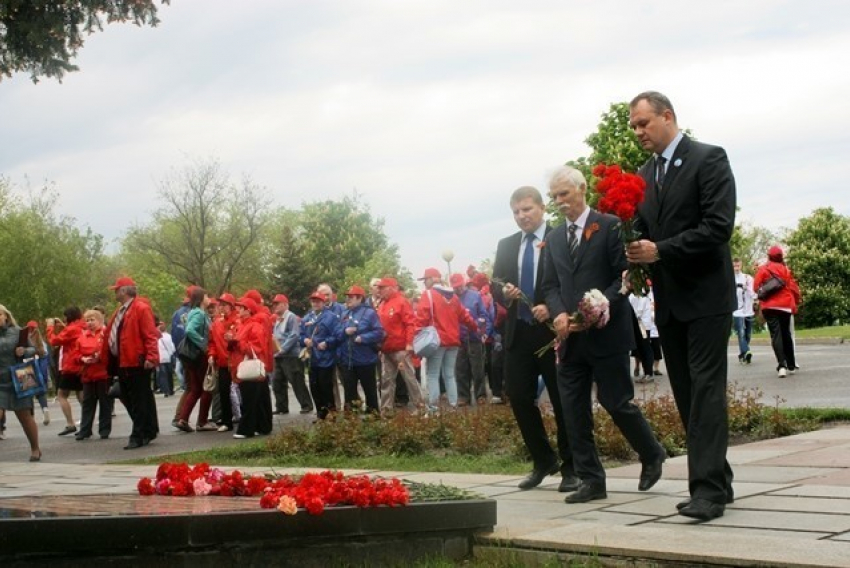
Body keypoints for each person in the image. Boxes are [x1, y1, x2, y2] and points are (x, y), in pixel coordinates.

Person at [626, 90, 736, 521]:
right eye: (634, 126)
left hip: (707, 297)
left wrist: (660, 251)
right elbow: (641, 230)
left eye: (643, 123)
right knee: (690, 396)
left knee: (707, 393)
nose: (638, 132)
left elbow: (718, 227)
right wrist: (629, 254)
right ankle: (718, 481)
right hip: (669, 303)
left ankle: (706, 491)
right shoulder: (644, 173)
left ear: (667, 117)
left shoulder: (708, 159)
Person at [541, 166, 667, 504]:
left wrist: (598, 307)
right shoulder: (553, 238)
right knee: (572, 410)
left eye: (563, 194)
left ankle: (651, 452)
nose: (558, 201)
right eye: (554, 196)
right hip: (570, 340)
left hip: (606, 334)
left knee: (616, 402)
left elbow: (623, 278)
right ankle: (591, 480)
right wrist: (559, 314)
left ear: (581, 189)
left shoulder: (610, 226)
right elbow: (550, 285)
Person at [491, 186, 577, 492]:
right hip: (519, 333)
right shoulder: (506, 245)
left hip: (552, 332)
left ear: (542, 208)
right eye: (516, 212)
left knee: (561, 399)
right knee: (518, 396)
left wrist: (551, 306)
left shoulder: (559, 237)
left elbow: (570, 281)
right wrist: (504, 293)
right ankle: (543, 460)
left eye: (527, 209)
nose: (521, 216)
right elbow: (495, 284)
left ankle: (572, 466)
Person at [103, 276, 161, 450]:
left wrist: (151, 357)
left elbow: (149, 334)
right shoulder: (122, 310)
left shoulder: (140, 309)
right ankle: (148, 430)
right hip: (124, 361)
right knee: (135, 398)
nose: (114, 292)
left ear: (124, 291)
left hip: (135, 361)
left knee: (138, 399)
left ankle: (138, 434)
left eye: (116, 289)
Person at [416, 268, 478, 411]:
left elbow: (421, 318)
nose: (424, 283)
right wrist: (476, 328)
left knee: (433, 374)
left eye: (425, 279)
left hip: (437, 341)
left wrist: (416, 336)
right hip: (453, 341)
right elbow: (465, 317)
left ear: (432, 279)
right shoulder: (453, 296)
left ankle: (434, 408)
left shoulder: (428, 295)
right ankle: (453, 405)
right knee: (449, 374)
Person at [376, 277, 425, 414]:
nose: (379, 291)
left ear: (391, 288)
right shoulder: (382, 304)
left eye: (382, 288)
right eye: (379, 288)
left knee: (409, 378)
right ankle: (386, 410)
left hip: (400, 349)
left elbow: (410, 323)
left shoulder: (402, 302)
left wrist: (409, 343)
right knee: (387, 380)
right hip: (386, 349)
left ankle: (420, 407)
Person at [0, 304, 41, 461]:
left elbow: (34, 349)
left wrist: (24, 351)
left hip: (20, 377)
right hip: (0, 380)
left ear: (6, 316)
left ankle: (35, 448)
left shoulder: (18, 332)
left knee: (24, 416)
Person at [754, 245, 801, 378]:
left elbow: (755, 287)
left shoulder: (764, 269)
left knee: (776, 335)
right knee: (786, 334)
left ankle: (782, 366)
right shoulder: (785, 269)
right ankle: (791, 363)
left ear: (769, 256)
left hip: (770, 306)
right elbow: (792, 286)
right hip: (785, 305)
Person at [336, 285, 385, 414]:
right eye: (347, 297)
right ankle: (351, 419)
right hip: (348, 360)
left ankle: (373, 417)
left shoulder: (370, 313)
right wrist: (344, 331)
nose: (348, 299)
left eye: (351, 297)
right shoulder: (344, 313)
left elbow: (379, 332)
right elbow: (337, 333)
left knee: (370, 391)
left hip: (365, 360)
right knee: (349, 392)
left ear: (360, 298)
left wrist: (363, 338)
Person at [231, 297, 273, 438]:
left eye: (241, 308)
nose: (238, 310)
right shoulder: (245, 325)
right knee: (257, 399)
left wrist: (238, 342)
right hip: (247, 366)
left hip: (251, 367)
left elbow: (257, 347)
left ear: (248, 310)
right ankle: (260, 426)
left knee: (249, 399)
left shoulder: (254, 325)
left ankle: (246, 429)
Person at [175, 287, 214, 432]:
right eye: (207, 295)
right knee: (207, 388)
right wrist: (203, 343)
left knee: (195, 389)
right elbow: (190, 330)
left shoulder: (191, 312)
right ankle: (202, 421)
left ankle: (183, 419)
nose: (209, 298)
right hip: (199, 356)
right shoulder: (199, 314)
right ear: (201, 298)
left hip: (190, 356)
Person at [450, 273, 492, 406]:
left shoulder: (475, 296)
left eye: (460, 286)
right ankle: (463, 396)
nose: (458, 289)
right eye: (455, 287)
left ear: (464, 283)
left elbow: (484, 316)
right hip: (458, 340)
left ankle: (480, 395)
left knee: (477, 368)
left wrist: (481, 330)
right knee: (460, 369)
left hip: (474, 338)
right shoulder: (451, 298)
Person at [271, 293, 313, 415]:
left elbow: (294, 335)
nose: (275, 306)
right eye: (274, 304)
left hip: (291, 355)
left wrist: (282, 349)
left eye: (277, 304)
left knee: (296, 381)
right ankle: (281, 406)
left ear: (285, 304)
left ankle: (306, 405)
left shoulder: (291, 317)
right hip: (279, 356)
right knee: (277, 381)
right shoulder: (277, 319)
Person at [301, 292, 340, 420]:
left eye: (318, 301)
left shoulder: (331, 317)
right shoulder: (307, 318)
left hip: (326, 358)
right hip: (312, 358)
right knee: (314, 387)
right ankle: (320, 414)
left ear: (323, 302)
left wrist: (327, 342)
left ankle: (331, 414)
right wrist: (305, 340)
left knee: (326, 386)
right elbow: (300, 335)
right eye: (313, 301)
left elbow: (337, 335)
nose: (315, 304)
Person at [47, 306, 85, 437]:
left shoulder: (71, 329)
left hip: (70, 365)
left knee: (62, 395)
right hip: (80, 365)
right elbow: (69, 335)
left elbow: (54, 340)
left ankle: (70, 423)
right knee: (81, 393)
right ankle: (86, 423)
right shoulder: (82, 326)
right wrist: (63, 326)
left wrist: (50, 327)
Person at [76, 309, 112, 440]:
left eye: (92, 320)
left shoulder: (105, 334)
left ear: (100, 320)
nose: (89, 323)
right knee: (87, 403)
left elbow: (111, 352)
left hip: (103, 373)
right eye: (87, 320)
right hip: (88, 374)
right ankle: (85, 430)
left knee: (105, 403)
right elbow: (76, 355)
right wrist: (82, 359)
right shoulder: (82, 337)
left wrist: (100, 357)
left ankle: (104, 430)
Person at [208, 293, 240, 431]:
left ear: (232, 306)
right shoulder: (216, 323)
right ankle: (227, 421)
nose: (222, 307)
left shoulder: (238, 321)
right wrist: (211, 355)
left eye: (225, 305)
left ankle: (245, 416)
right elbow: (212, 342)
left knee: (242, 391)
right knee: (223, 391)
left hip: (237, 361)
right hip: (222, 362)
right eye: (220, 305)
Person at [732, 258, 756, 365]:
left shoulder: (748, 278)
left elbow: (753, 294)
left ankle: (742, 354)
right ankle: (747, 351)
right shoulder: (730, 279)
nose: (736, 268)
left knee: (748, 335)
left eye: (738, 266)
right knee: (741, 333)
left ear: (741, 265)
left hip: (748, 310)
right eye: (734, 266)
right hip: (737, 311)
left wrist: (747, 288)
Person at [155, 318, 176, 397]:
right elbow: (172, 347)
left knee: (164, 375)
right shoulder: (168, 336)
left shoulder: (157, 336)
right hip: (167, 357)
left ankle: (166, 390)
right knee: (168, 374)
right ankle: (170, 390)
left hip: (162, 358)